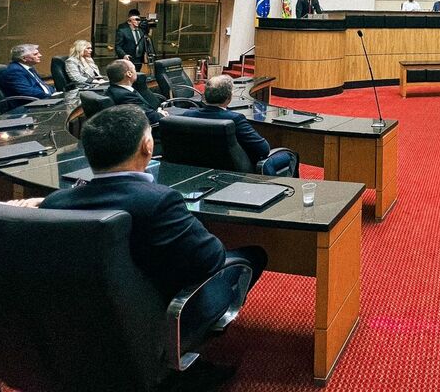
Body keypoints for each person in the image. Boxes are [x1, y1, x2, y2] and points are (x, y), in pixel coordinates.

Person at [40, 105, 266, 327]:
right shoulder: (159, 202)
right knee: (254, 255)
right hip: (163, 313)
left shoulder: (54, 204)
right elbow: (211, 259)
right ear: (148, 147)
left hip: (85, 318)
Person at [180, 75, 273, 170]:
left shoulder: (187, 115)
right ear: (229, 98)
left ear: (204, 95)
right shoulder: (235, 119)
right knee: (285, 156)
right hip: (234, 172)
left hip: (197, 168)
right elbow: (263, 149)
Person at [106, 60, 166, 126]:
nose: (136, 72)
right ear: (129, 74)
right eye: (134, 69)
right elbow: (150, 117)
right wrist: (161, 114)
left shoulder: (112, 90)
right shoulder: (126, 96)